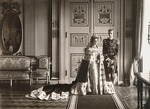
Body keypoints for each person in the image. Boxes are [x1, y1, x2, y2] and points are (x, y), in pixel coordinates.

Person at [25, 35, 107, 100]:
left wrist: (100, 59)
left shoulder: (98, 49)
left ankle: (94, 90)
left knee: (95, 78)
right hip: (89, 66)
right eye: (94, 41)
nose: (95, 43)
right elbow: (87, 59)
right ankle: (86, 89)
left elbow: (100, 56)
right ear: (92, 41)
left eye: (96, 41)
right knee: (89, 78)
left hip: (96, 66)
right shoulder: (88, 49)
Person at [103, 29, 118, 93]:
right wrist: (108, 59)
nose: (110, 34)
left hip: (113, 59)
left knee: (113, 72)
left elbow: (117, 52)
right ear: (108, 33)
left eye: (111, 33)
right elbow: (104, 51)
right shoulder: (105, 41)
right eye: (109, 33)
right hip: (107, 59)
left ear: (113, 33)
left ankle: (112, 86)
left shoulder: (116, 41)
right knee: (107, 72)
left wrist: (113, 59)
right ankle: (107, 87)